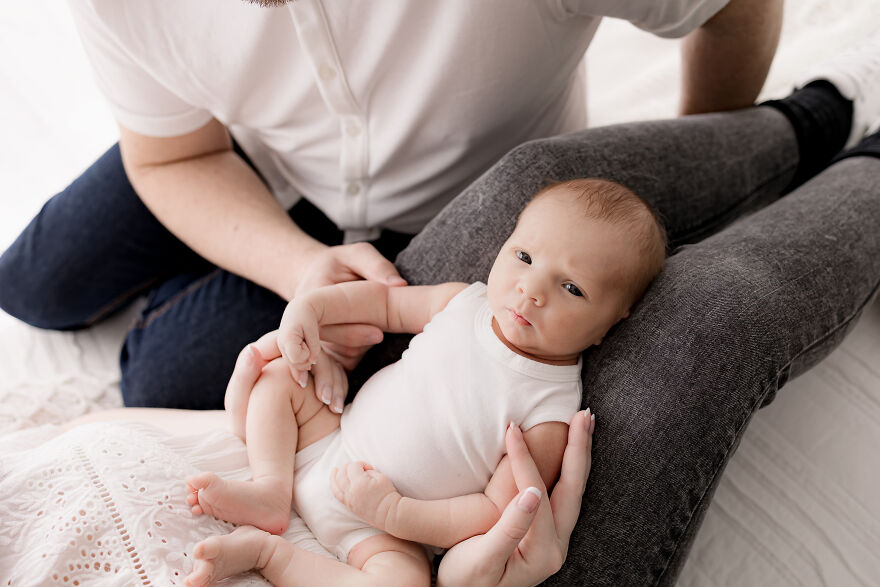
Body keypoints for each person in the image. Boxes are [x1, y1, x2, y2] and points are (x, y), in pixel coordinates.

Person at [0, 0, 780, 411]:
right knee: (30, 282)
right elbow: (173, 154)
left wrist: (671, 187)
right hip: (255, 147)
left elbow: (737, 6)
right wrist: (299, 265)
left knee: (161, 376)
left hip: (449, 205)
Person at [181, 179, 666, 586]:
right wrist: (312, 309)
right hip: (330, 438)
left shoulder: (551, 413)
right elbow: (385, 305)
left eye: (572, 288)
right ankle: (270, 488)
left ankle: (272, 557)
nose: (531, 289)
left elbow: (488, 512)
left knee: (404, 584)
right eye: (524, 256)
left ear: (610, 324)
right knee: (281, 375)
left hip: (385, 532)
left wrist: (393, 513)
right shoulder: (465, 302)